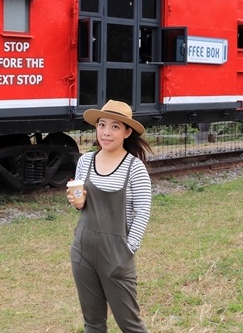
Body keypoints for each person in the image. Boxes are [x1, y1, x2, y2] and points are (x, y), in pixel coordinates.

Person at [68, 100, 153, 333]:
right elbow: (81, 204)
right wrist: (77, 203)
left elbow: (142, 212)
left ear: (127, 132)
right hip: (83, 252)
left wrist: (127, 250)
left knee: (130, 325)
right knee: (93, 323)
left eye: (115, 127)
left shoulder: (134, 168)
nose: (106, 133)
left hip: (116, 254)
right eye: (102, 125)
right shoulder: (85, 161)